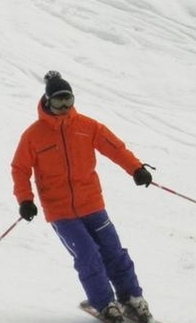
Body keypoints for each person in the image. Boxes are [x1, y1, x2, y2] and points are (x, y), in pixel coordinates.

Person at [11, 71, 155, 323]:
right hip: (61, 212)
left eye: (69, 100)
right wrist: (25, 199)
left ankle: (131, 299)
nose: (65, 107)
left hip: (92, 204)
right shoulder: (33, 136)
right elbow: (20, 169)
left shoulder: (87, 127)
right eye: (58, 101)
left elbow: (115, 148)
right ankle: (105, 304)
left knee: (114, 251)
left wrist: (136, 168)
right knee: (88, 254)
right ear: (47, 101)